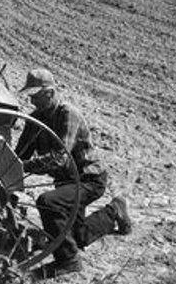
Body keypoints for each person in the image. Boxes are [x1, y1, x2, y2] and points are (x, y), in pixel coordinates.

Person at [15, 68, 132, 278]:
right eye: (30, 96)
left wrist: (25, 167)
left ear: (49, 93)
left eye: (36, 96)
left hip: (89, 180)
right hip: (67, 183)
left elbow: (60, 158)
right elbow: (19, 156)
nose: (32, 102)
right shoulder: (35, 119)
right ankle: (115, 210)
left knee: (48, 202)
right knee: (76, 237)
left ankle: (68, 262)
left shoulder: (69, 115)